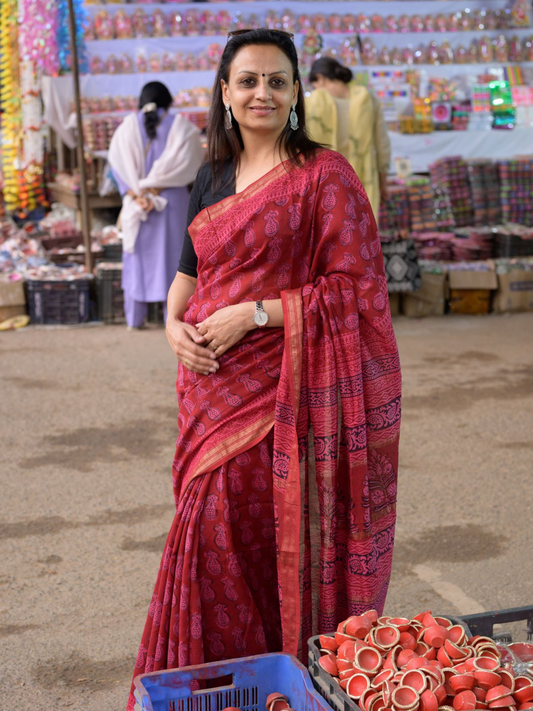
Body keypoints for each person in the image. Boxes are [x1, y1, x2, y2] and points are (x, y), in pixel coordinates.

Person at [127, 30, 401, 710]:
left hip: (285, 396)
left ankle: (278, 684)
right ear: (223, 91)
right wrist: (170, 326)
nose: (262, 93)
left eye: (277, 81)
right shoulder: (210, 176)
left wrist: (254, 313)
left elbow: (357, 290)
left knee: (250, 535)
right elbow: (187, 277)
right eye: (247, 80)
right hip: (211, 390)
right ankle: (213, 690)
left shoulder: (323, 176)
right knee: (207, 537)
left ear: (294, 94)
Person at [108, 82, 204, 329]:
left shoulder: (126, 127)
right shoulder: (183, 128)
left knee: (138, 258)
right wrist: (156, 187)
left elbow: (116, 166)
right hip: (172, 202)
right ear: (168, 102)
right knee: (176, 262)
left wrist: (134, 193)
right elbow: (193, 166)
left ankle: (134, 319)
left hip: (136, 202)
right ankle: (172, 319)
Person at [306, 57, 391, 219]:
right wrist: (383, 182)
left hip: (324, 184)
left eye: (315, 84)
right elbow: (382, 145)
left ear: (320, 78)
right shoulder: (368, 99)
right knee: (361, 233)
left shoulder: (310, 103)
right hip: (363, 179)